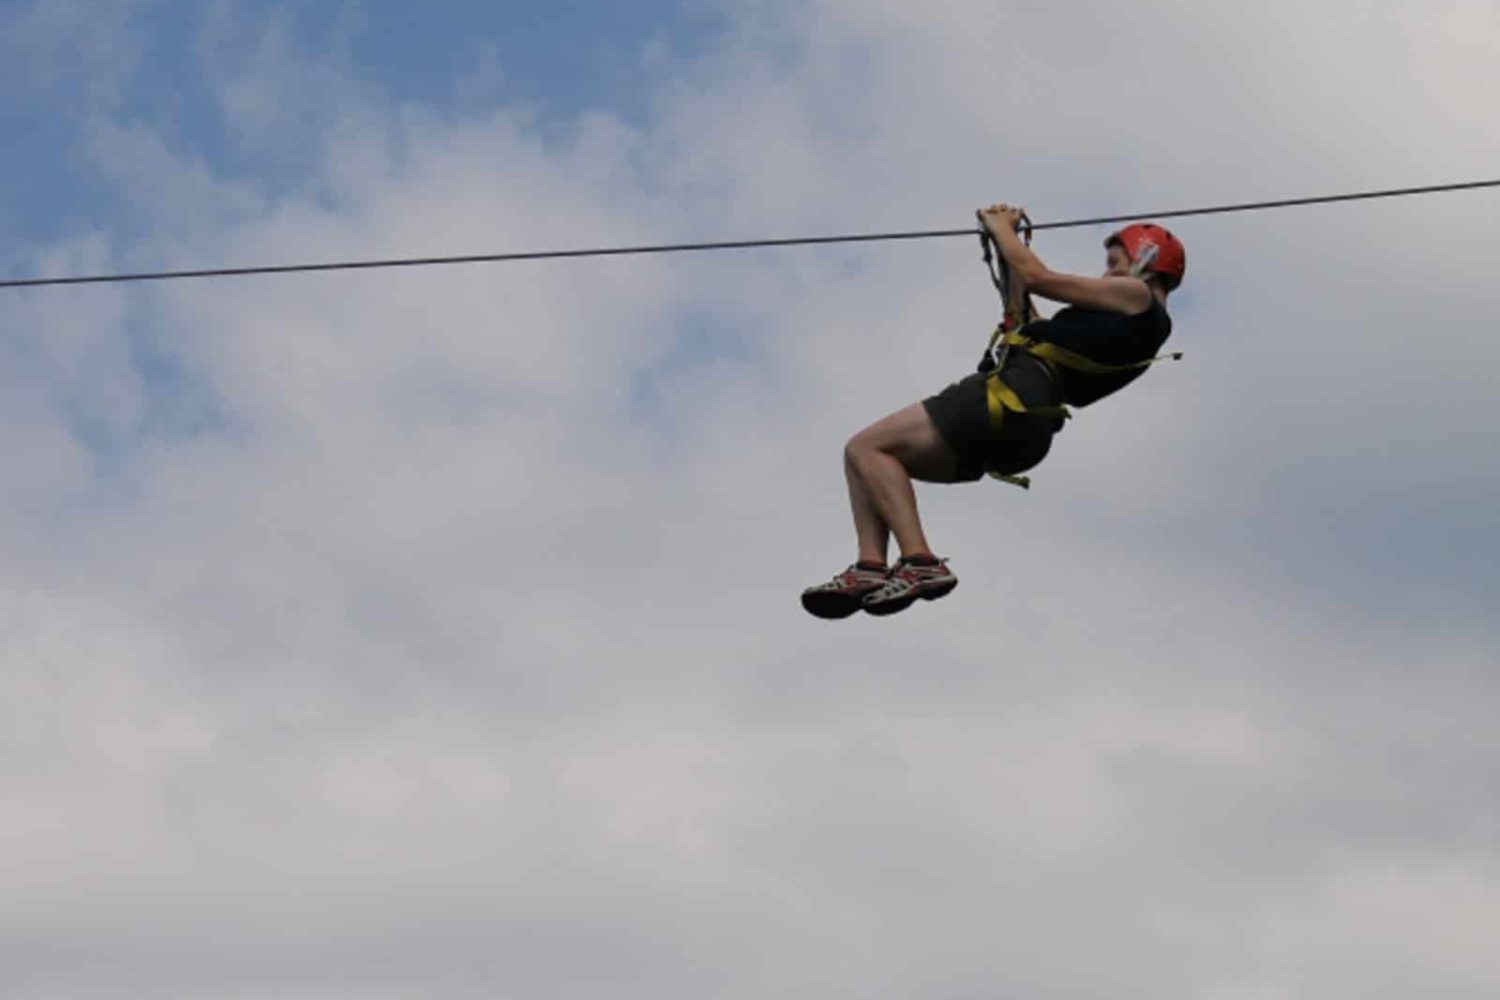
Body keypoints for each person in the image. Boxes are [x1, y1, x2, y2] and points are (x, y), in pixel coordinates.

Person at [800, 203, 1186, 619]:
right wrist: (1008, 249)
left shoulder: (1138, 295)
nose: (1107, 274)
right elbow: (1024, 321)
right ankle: (872, 567)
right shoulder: (1139, 332)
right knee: (874, 461)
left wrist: (1001, 228)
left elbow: (1041, 279)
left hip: (1011, 395)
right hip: (1029, 429)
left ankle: (919, 561)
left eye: (1114, 263)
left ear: (1147, 259)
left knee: (865, 448)